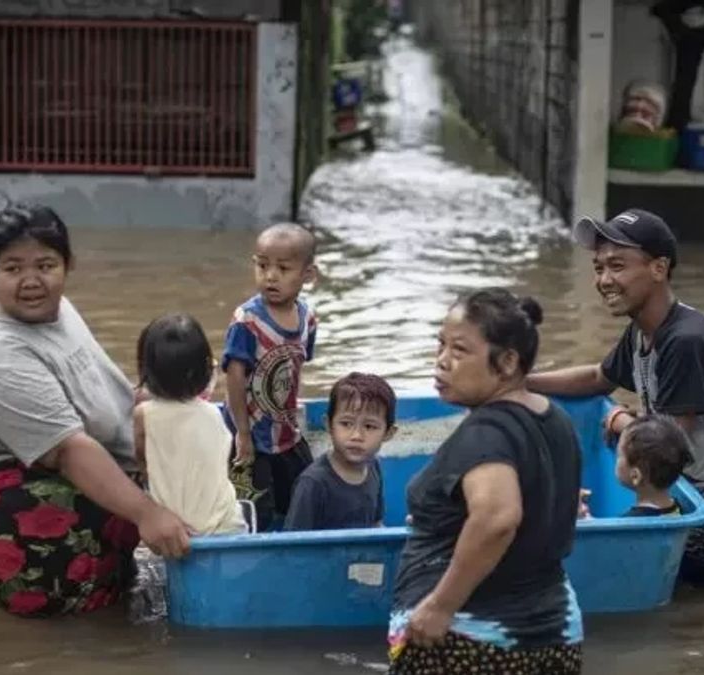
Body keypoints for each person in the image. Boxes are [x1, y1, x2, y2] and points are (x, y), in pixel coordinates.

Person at [0, 205, 191, 618]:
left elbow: (106, 395)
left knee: (119, 621)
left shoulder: (55, 309)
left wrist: (178, 408)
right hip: (35, 539)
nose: (31, 282)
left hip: (101, 506)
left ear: (68, 264)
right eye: (13, 268)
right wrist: (149, 513)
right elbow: (69, 449)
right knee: (79, 644)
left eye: (45, 265)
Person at [527, 208, 704, 589]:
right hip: (693, 500)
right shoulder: (643, 331)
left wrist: (623, 422)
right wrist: (521, 382)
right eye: (598, 268)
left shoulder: (685, 340)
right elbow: (598, 378)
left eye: (617, 266)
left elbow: (665, 446)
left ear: (659, 268)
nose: (604, 280)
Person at [389, 288, 583, 675]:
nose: (442, 361)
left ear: (508, 361)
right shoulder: (555, 420)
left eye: (459, 351)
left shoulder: (486, 431)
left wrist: (440, 605)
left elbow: (497, 518)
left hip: (472, 640)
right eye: (440, 345)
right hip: (555, 634)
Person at [222, 223, 319, 529]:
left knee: (306, 493)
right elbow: (234, 378)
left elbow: (294, 370)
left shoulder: (307, 318)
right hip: (250, 434)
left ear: (308, 275)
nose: (271, 276)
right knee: (254, 510)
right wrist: (243, 434)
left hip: (286, 432)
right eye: (262, 266)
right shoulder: (247, 320)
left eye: (283, 268)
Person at [134, 313, 248, 535]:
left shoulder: (144, 415)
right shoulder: (212, 415)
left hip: (178, 531)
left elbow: (141, 460)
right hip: (228, 526)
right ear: (204, 371)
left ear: (146, 370)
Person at [284, 373, 396, 531]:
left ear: (388, 433)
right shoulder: (313, 483)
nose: (356, 436)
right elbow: (293, 544)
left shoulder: (373, 466)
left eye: (369, 426)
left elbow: (376, 524)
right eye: (346, 424)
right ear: (328, 425)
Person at [615, 415, 692, 517]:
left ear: (635, 476)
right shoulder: (680, 509)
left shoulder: (629, 525)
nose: (616, 460)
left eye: (619, 455)